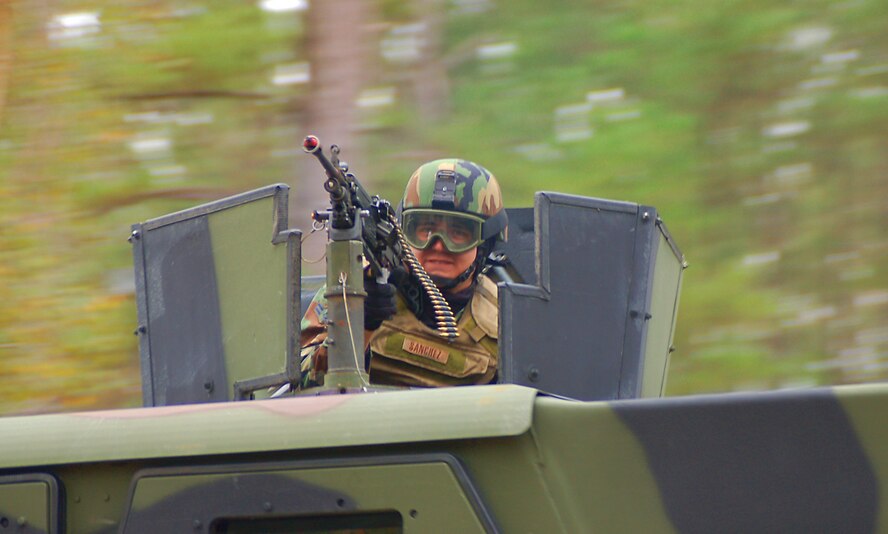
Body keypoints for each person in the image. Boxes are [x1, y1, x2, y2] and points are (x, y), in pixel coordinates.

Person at [299, 158, 508, 388]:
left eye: (458, 233)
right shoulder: (353, 288)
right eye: (424, 229)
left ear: (484, 245)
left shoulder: (506, 319)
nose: (437, 245)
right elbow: (294, 385)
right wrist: (359, 324)